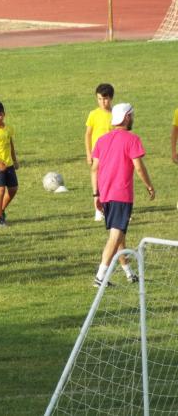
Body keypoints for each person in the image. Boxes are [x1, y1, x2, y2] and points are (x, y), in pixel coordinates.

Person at [91, 103, 155, 287]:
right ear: (126, 117)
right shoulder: (132, 139)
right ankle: (100, 277)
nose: (133, 118)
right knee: (115, 236)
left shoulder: (102, 140)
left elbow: (94, 168)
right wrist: (149, 186)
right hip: (121, 193)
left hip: (105, 194)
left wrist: (96, 195)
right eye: (132, 115)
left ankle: (128, 272)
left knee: (118, 234)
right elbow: (138, 167)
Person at [85, 83, 114, 221]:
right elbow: (88, 135)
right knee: (96, 179)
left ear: (111, 98)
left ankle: (113, 208)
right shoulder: (93, 114)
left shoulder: (115, 115)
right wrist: (88, 153)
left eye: (105, 99)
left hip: (112, 153)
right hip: (97, 153)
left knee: (111, 180)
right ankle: (98, 209)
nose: (103, 102)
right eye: (99, 99)